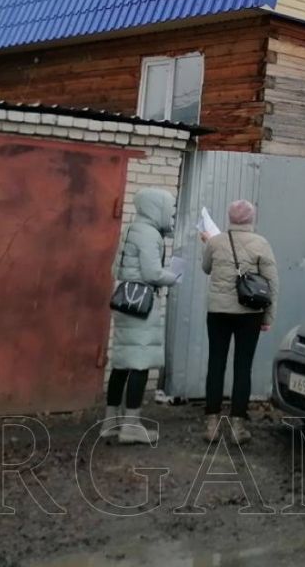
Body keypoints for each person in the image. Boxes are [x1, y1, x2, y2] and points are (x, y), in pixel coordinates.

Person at [106, 188, 181, 444]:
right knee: (139, 363)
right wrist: (174, 277)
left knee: (121, 363)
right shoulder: (150, 234)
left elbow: (115, 268)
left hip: (124, 299)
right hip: (142, 304)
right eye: (168, 208)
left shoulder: (131, 230)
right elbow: (152, 273)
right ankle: (131, 426)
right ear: (156, 207)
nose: (171, 213)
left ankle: (110, 422)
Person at [201, 198, 279, 443]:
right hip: (249, 314)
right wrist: (268, 316)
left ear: (230, 218)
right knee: (243, 367)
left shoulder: (215, 242)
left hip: (218, 312)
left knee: (216, 364)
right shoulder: (261, 243)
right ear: (251, 219)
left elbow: (206, 268)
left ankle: (211, 425)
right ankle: (237, 427)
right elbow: (272, 283)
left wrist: (208, 242)